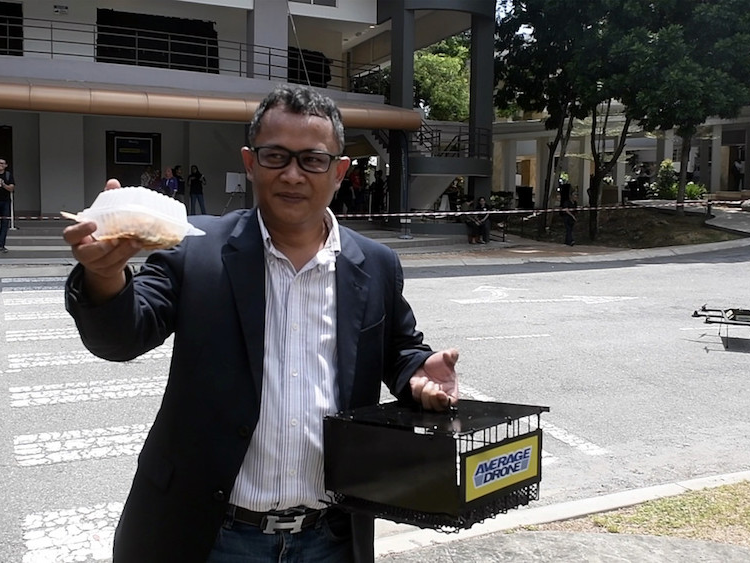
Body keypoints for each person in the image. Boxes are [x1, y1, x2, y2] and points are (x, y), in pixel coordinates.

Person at [61, 84, 459, 563]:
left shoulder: (375, 263)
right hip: (212, 536)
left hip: (330, 537)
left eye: (312, 159)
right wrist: (105, 276)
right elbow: (122, 336)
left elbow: (399, 348)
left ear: (339, 171)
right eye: (276, 157)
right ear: (250, 163)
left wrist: (417, 374)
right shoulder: (198, 248)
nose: (292, 174)